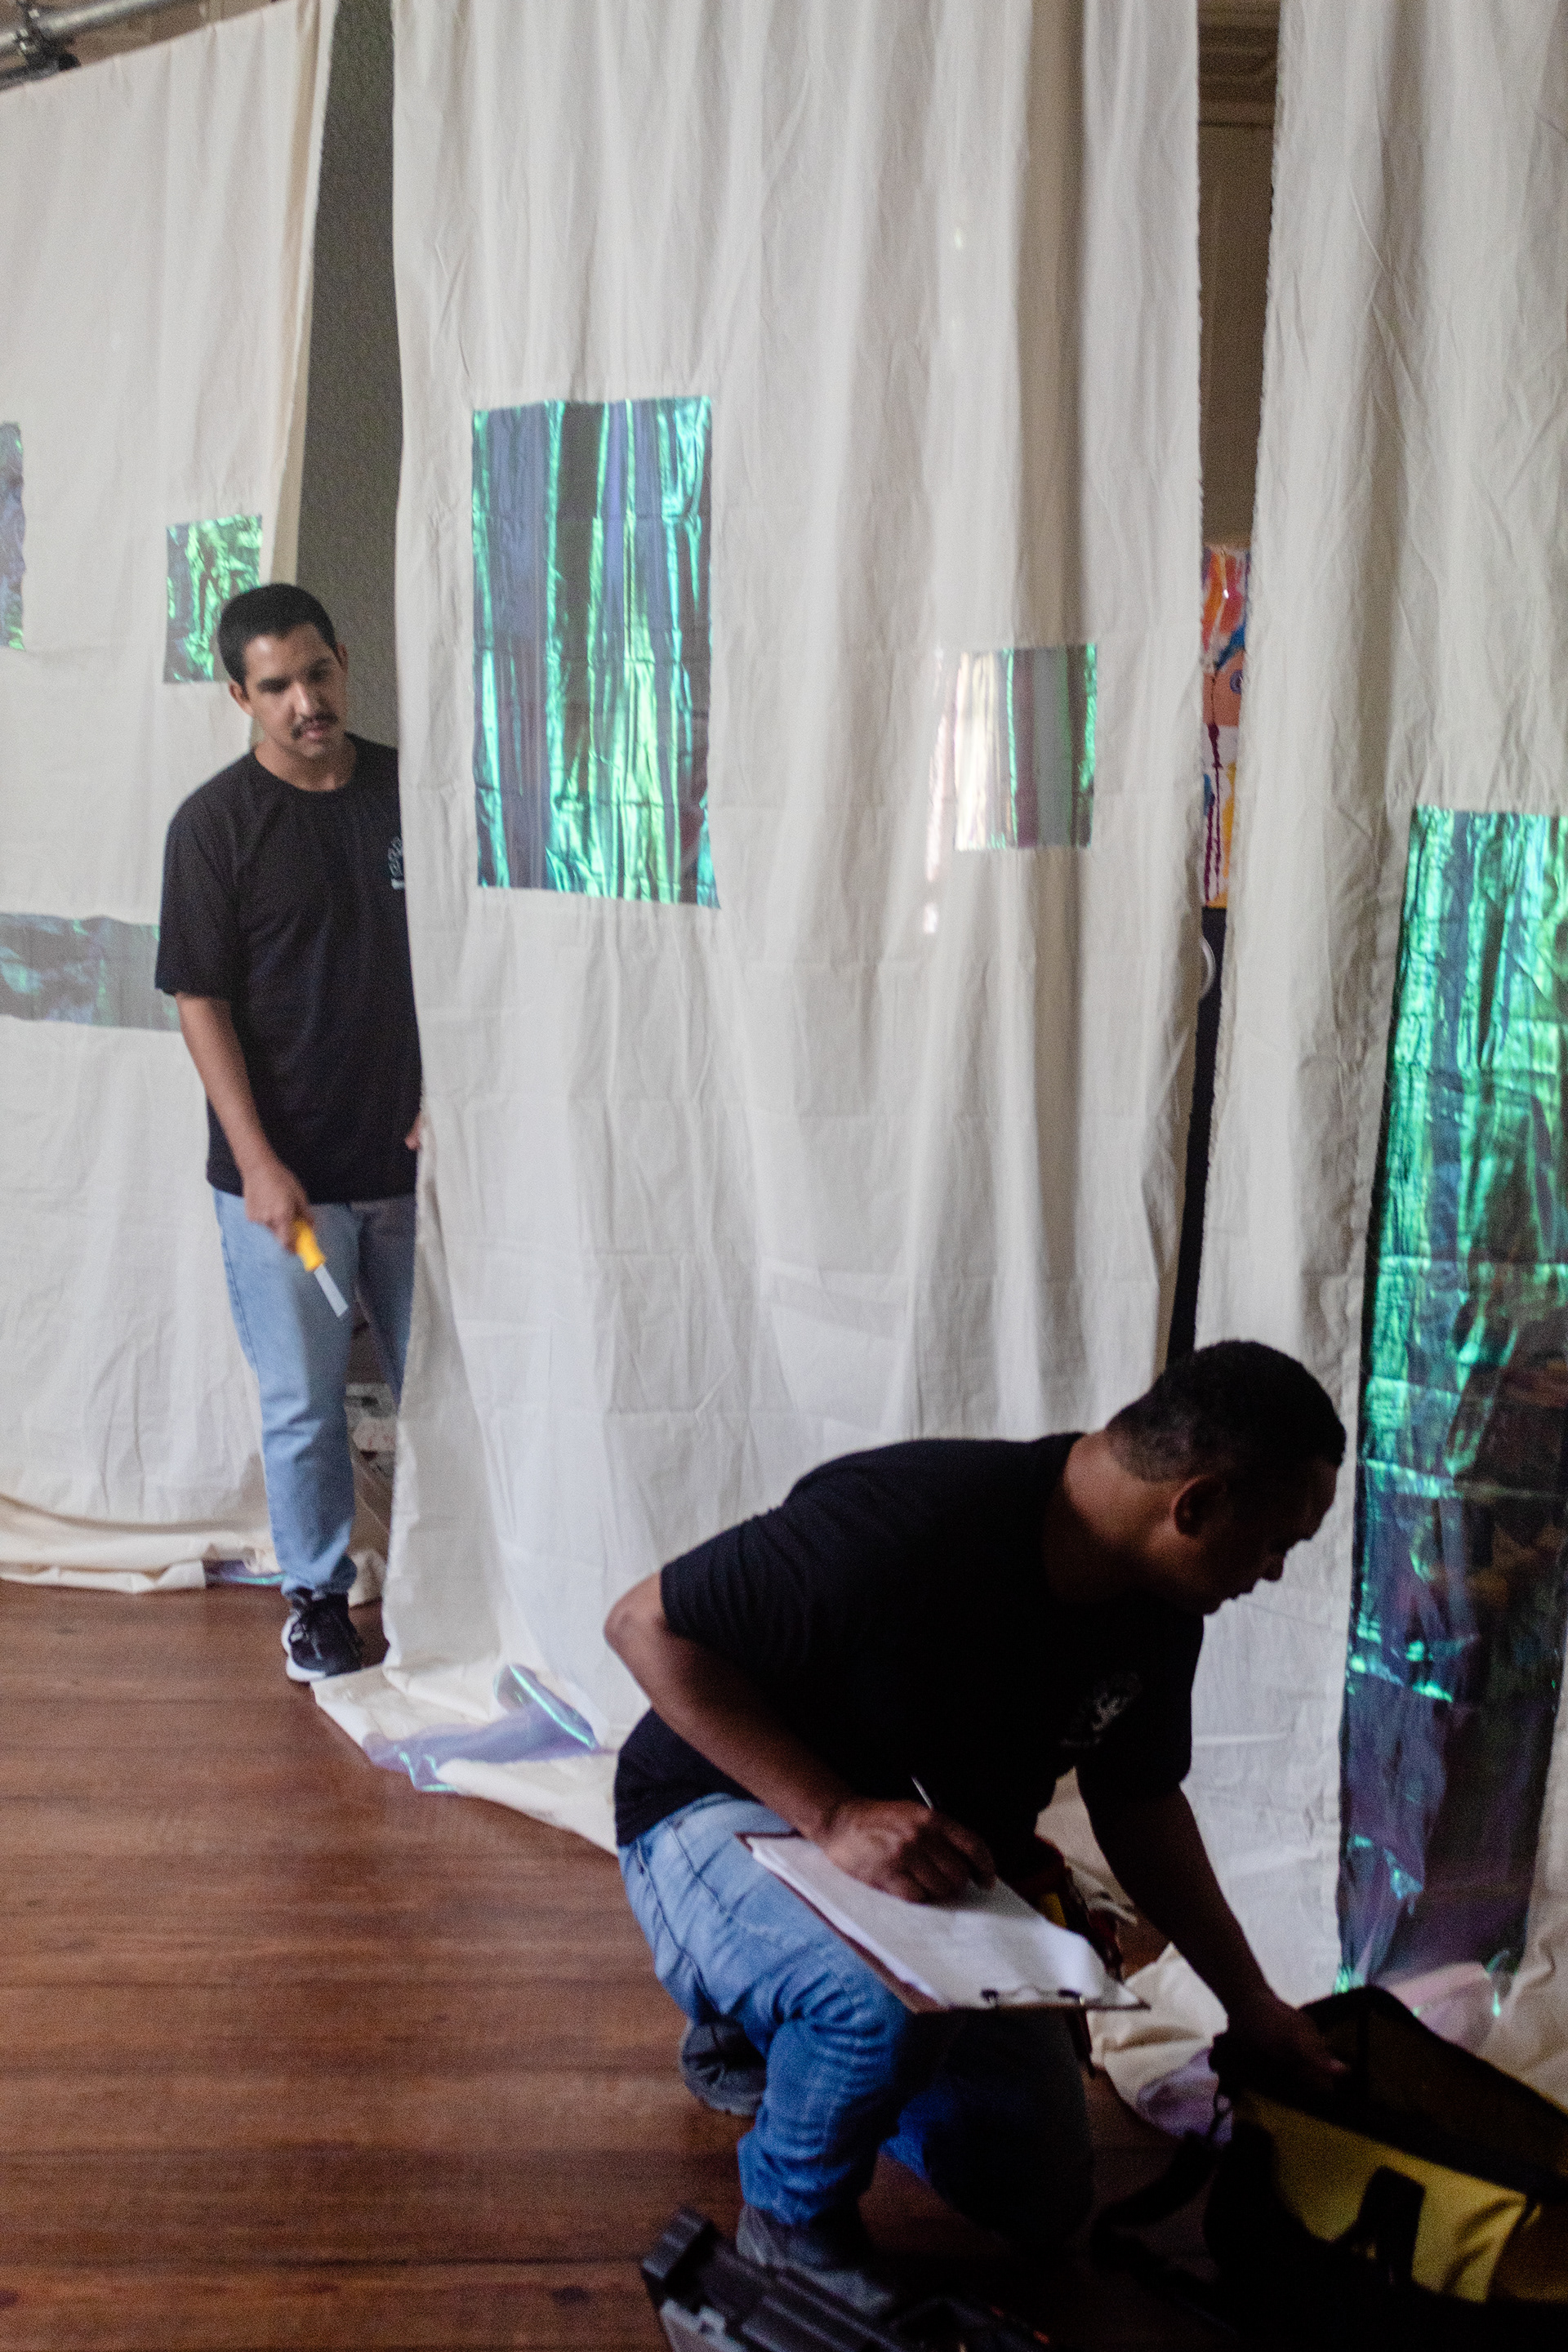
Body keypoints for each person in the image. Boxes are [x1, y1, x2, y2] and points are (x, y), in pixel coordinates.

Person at [606, 1340, 1346, 2308]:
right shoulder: (912, 1516)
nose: (1276, 1572)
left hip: (916, 1868)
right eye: (1277, 1542)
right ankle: (789, 2222)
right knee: (878, 2005)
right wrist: (835, 1816)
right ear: (1195, 1504)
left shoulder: (1161, 1608)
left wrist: (1251, 2002)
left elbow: (1139, 1804)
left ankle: (778, 2036)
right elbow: (643, 1626)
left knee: (1037, 2196)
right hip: (715, 1807)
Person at [155, 583, 421, 1683]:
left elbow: (474, 955)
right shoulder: (215, 825)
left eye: (317, 674)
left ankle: (458, 1583)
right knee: (306, 1403)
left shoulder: (413, 794)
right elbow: (199, 1002)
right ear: (240, 696)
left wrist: (456, 1095)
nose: (306, 702)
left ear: (343, 661)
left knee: (445, 1398)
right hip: (288, 1191)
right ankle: (316, 1597)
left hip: (413, 1174)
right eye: (276, 687)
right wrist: (259, 1164)